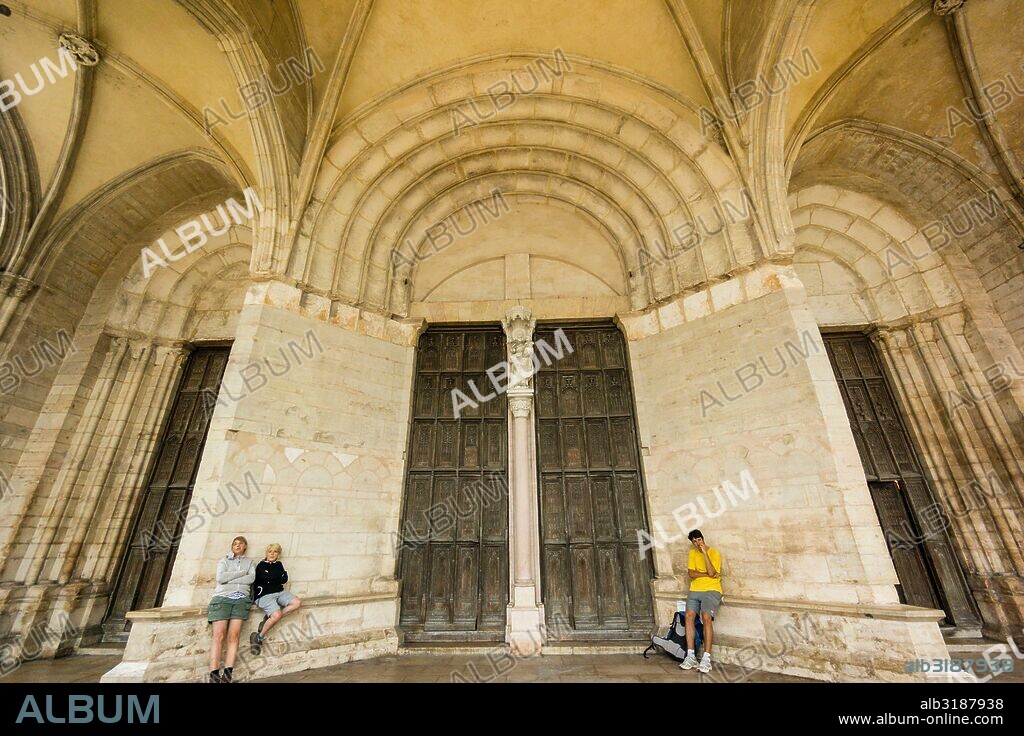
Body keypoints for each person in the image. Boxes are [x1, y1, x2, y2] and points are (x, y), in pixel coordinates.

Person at [208, 535, 255, 683]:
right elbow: (221, 578)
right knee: (219, 636)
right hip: (222, 599)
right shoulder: (224, 560)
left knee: (233, 636)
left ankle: (227, 673)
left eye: (241, 543)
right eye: (235, 543)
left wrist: (231, 578)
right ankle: (214, 674)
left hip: (241, 599)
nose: (238, 545)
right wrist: (241, 573)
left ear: (245, 546)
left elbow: (251, 579)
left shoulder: (250, 562)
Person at [680, 529, 722, 674]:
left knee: (706, 618)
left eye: (699, 540)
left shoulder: (714, 553)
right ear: (692, 542)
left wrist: (705, 553)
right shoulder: (692, 553)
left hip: (712, 590)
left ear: (703, 539)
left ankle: (706, 658)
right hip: (695, 589)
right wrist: (706, 574)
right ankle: (690, 655)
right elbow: (691, 574)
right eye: (695, 541)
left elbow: (712, 572)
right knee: (689, 616)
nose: (698, 543)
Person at [249, 543, 301, 655]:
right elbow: (266, 578)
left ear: (278, 554)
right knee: (276, 615)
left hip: (279, 592)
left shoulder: (279, 564)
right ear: (266, 553)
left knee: (296, 602)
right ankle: (258, 637)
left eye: (275, 552)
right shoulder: (261, 565)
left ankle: (269, 618)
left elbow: (284, 579)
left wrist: (273, 577)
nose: (272, 554)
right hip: (264, 595)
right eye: (270, 551)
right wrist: (276, 576)